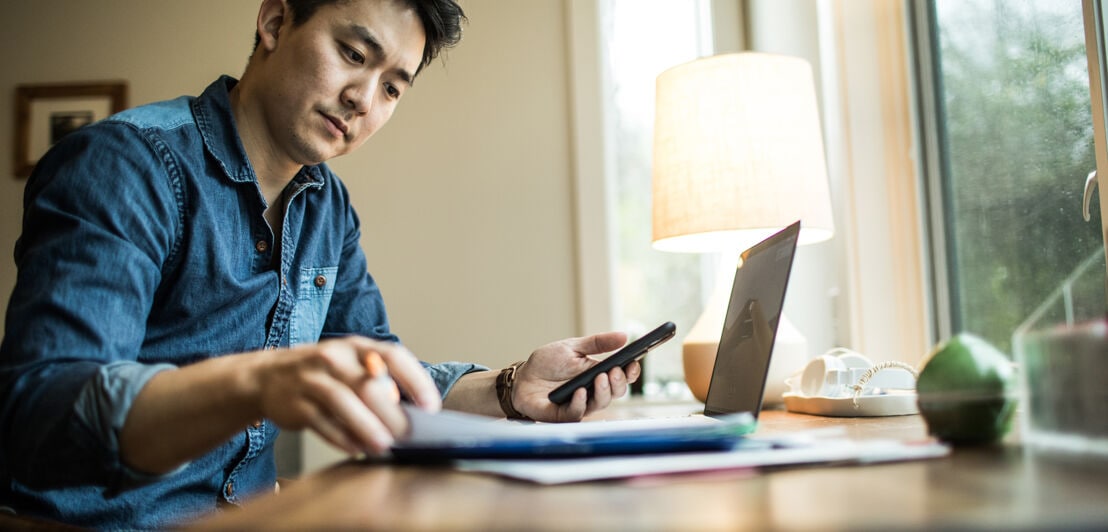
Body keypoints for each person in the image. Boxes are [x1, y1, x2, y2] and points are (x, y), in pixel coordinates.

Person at [0, 0, 641, 528]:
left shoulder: (326, 205)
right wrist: (255, 383)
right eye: (353, 55)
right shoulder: (125, 166)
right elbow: (42, 416)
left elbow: (380, 372)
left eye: (393, 87)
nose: (364, 99)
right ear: (276, 22)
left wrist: (514, 387)